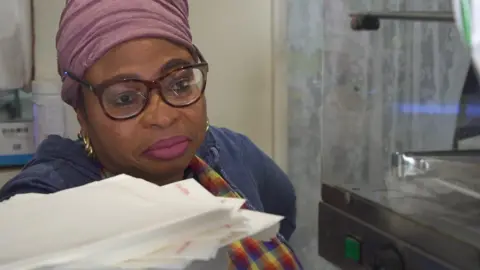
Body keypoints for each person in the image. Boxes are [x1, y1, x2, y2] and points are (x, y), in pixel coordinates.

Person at [0, 0, 302, 268]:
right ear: (82, 112)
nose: (164, 117)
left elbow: (281, 216)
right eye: (125, 99)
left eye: (180, 84)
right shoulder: (51, 202)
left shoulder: (232, 152)